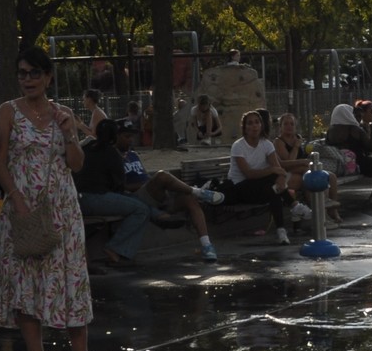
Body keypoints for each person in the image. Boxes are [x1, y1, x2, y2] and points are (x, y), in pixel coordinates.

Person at [0, 45, 110, 351]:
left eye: (34, 73)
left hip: (62, 208)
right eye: (22, 73)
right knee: (27, 279)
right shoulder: (9, 112)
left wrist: (70, 134)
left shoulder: (62, 112)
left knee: (71, 277)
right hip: (25, 207)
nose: (27, 80)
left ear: (48, 77)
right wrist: (15, 197)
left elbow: (76, 164)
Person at [114, 118, 225, 262]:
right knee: (161, 175)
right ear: (116, 136)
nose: (131, 140)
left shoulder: (133, 155)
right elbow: (119, 187)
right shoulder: (113, 157)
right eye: (126, 136)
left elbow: (144, 175)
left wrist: (150, 183)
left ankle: (207, 246)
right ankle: (199, 192)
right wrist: (146, 184)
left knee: (188, 198)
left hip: (154, 195)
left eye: (132, 136)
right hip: (137, 197)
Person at [74, 118, 153, 267]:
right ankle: (115, 249)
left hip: (78, 198)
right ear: (114, 136)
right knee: (141, 210)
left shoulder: (87, 147)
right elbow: (119, 185)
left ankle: (159, 214)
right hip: (96, 198)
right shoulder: (111, 153)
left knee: (137, 204)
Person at [221, 109, 291, 244]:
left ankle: (281, 231)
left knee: (274, 191)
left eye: (257, 122)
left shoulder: (266, 144)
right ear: (245, 128)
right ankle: (293, 206)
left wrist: (280, 177)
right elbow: (249, 174)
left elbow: (279, 170)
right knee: (272, 183)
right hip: (241, 188)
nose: (254, 126)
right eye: (250, 123)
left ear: (261, 125)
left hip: (260, 187)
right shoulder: (238, 146)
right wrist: (273, 171)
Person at [325, 103, 372, 202]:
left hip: (341, 163)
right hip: (357, 163)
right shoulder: (354, 129)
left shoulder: (331, 131)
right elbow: (371, 147)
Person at [273, 111, 335, 220]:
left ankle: (332, 210)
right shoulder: (279, 142)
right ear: (280, 127)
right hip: (288, 173)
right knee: (309, 178)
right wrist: (296, 148)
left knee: (331, 177)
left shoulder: (297, 138)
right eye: (286, 124)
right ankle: (320, 213)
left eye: (292, 124)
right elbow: (288, 163)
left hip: (301, 170)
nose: (289, 127)